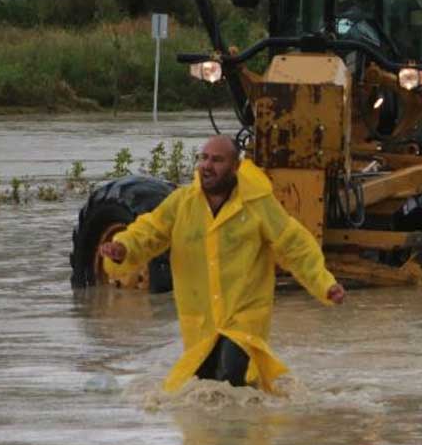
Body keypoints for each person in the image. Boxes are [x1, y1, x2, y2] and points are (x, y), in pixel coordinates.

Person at [99, 135, 345, 394]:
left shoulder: (258, 204)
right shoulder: (182, 203)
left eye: (217, 160)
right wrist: (122, 248)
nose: (207, 165)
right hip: (201, 323)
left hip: (244, 317)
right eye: (203, 158)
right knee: (207, 388)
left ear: (235, 167)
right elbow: (148, 232)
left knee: (230, 376)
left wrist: (325, 284)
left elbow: (294, 245)